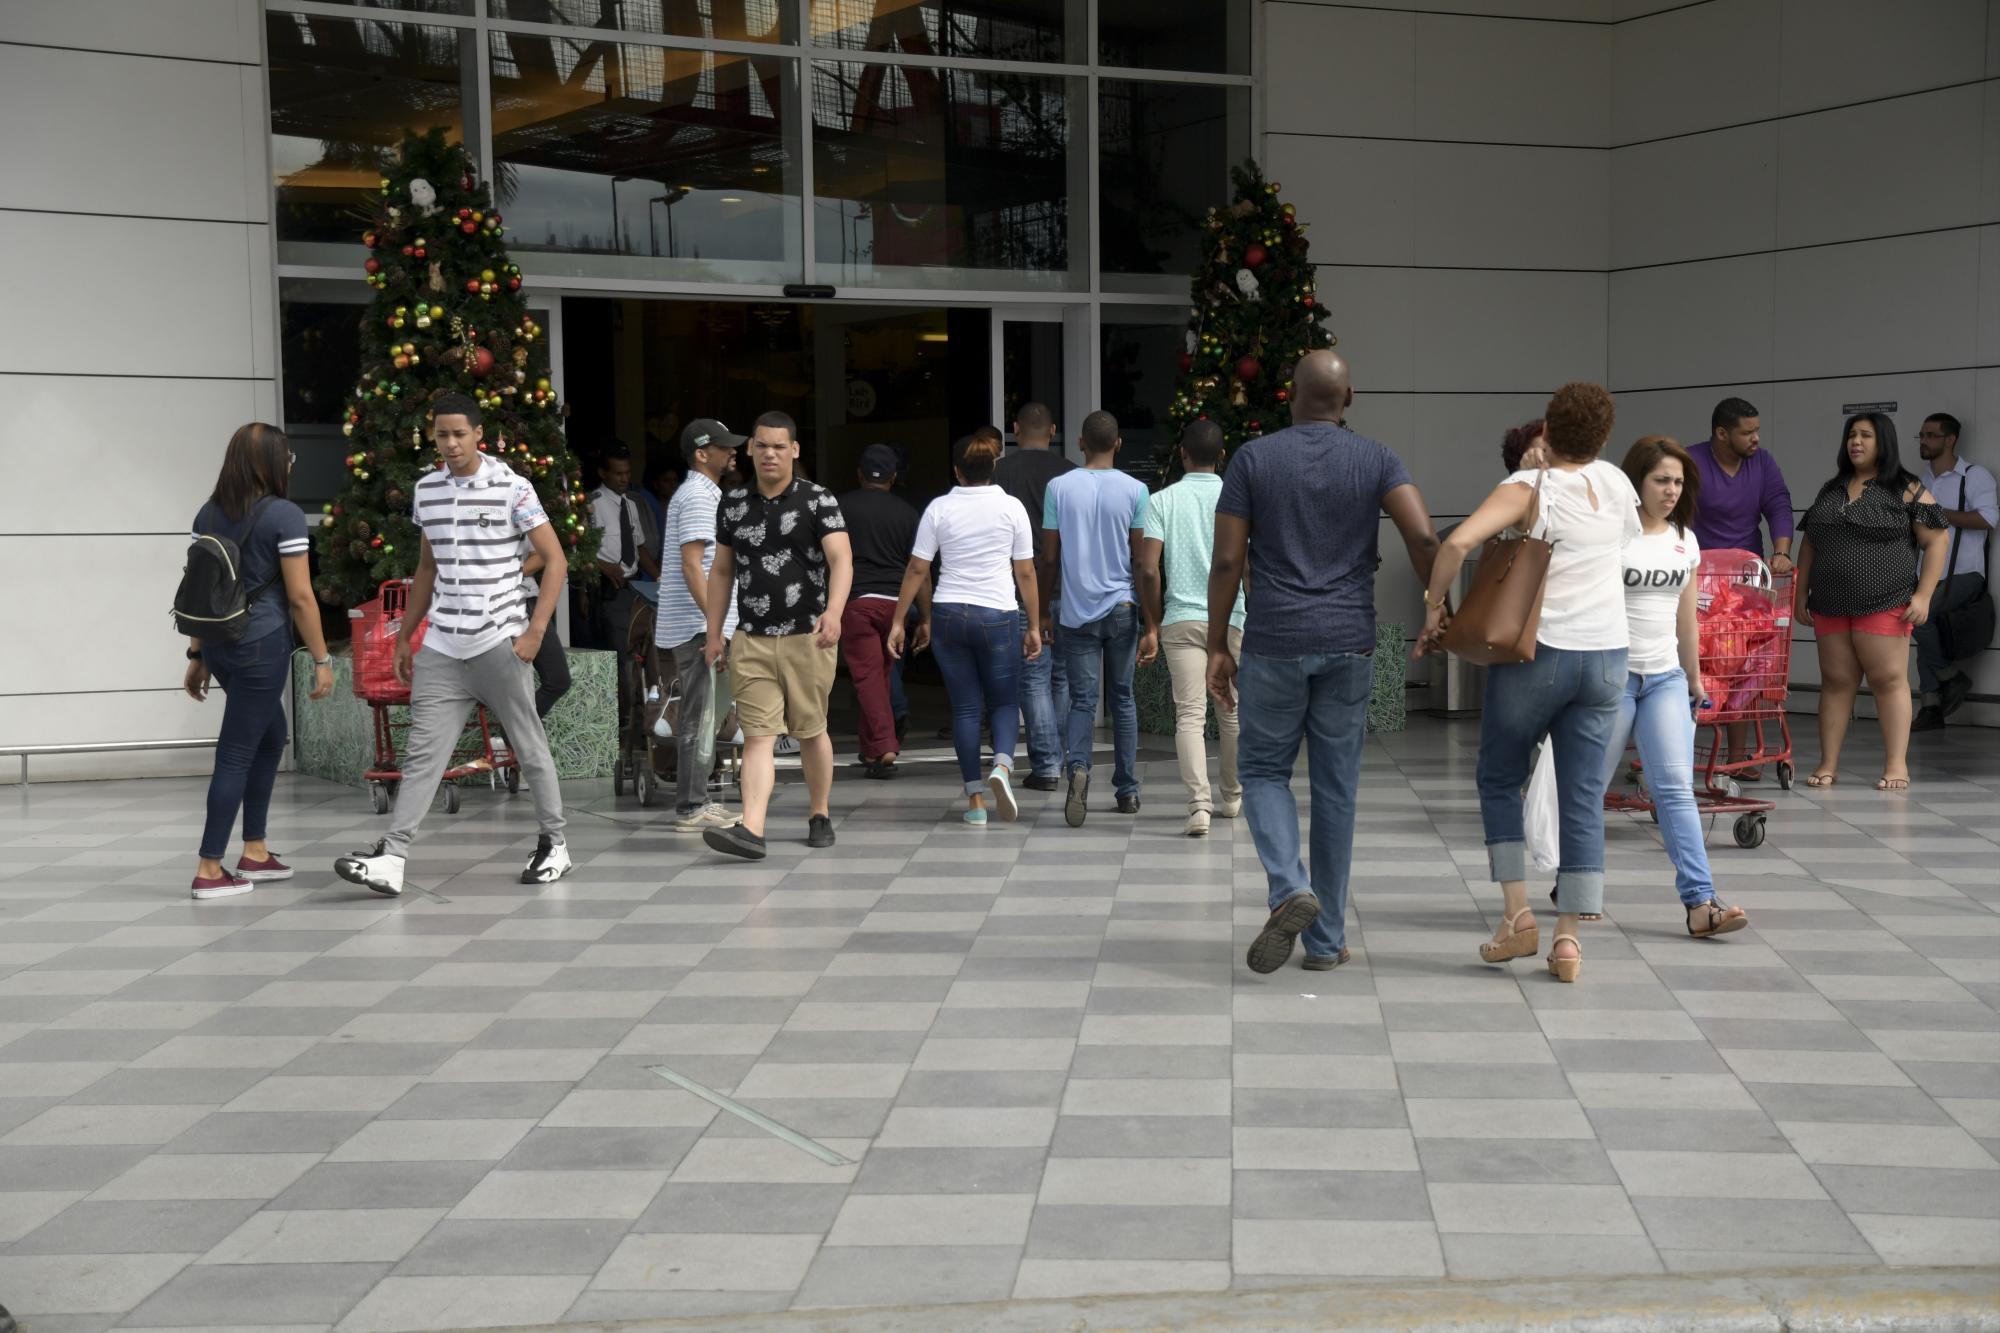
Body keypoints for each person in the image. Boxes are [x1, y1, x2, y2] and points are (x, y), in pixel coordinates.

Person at [1211, 352, 1439, 973]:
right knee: (1336, 791)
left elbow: (1229, 561)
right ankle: (1326, 941)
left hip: (1274, 640)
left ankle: (1289, 889)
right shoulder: (1376, 458)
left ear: (1290, 394)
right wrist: (1438, 608)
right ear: (1349, 398)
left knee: (1261, 772)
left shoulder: (1253, 459)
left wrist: (1214, 644)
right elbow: (1423, 538)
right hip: (1349, 640)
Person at [1419, 382, 1639, 985]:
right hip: (1607, 658)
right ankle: (1568, 940)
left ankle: (1517, 914)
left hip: (1539, 655)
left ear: (1548, 426)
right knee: (1582, 795)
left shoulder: (1529, 488)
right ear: (1602, 434)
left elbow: (1458, 542)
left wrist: (1434, 606)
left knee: (1498, 777)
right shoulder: (1618, 483)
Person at [336, 394, 573, 894]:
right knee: (423, 754)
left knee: (529, 747)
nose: (450, 443)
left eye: (459, 434)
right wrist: (406, 635)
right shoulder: (427, 490)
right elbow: (427, 567)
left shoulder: (513, 487)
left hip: (499, 641)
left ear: (478, 434)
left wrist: (533, 633)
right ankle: (393, 858)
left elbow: (555, 560)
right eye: (442, 434)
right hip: (443, 644)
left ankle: (555, 845)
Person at [1603, 437, 1748, 939]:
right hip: (1611, 677)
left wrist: (1694, 676)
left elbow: (1687, 617)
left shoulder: (1685, 539)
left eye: (1678, 482)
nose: (1670, 490)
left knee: (1675, 792)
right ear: (1636, 481)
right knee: (1586, 788)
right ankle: (1572, 884)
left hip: (1665, 678)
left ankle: (1701, 902)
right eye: (1661, 480)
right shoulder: (1611, 536)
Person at [184, 424, 335, 899]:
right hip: (260, 646)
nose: (290, 463)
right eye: (287, 456)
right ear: (270, 462)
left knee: (272, 737)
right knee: (236, 753)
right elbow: (301, 597)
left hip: (219, 644)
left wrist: (196, 654)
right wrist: (322, 658)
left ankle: (255, 850)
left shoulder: (208, 512)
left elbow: (197, 588)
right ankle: (209, 868)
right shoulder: (284, 516)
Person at [701, 411, 853, 859]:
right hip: (752, 638)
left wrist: (835, 613)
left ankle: (820, 811)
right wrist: (715, 633)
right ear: (750, 449)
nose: (770, 453)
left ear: (794, 450)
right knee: (759, 735)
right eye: (762, 445)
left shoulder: (817, 500)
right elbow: (722, 570)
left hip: (809, 636)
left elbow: (841, 559)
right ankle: (752, 828)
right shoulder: (732, 503)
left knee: (810, 731)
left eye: (779, 446)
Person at [888, 435, 1041, 824]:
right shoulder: (1011, 507)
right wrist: (1036, 624)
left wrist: (898, 620)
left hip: (950, 615)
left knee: (967, 708)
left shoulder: (939, 508)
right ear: (994, 469)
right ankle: (1002, 767)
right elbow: (1024, 571)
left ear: (956, 471)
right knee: (1005, 703)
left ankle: (975, 801)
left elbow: (918, 569)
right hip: (999, 615)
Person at [1794, 414, 1949, 791]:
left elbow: (1937, 540)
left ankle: (1896, 764)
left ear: (1884, 442)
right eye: (1851, 435)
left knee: (1888, 680)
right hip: (1830, 602)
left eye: (1866, 435)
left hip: (1886, 600)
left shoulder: (1906, 487)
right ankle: (1827, 763)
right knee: (1835, 682)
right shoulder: (1831, 489)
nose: (1856, 442)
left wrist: (1924, 594)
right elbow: (1810, 542)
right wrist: (1800, 594)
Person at [1040, 410, 1153, 826]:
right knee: (1122, 699)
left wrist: (1040, 612)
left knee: (1082, 701)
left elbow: (1049, 557)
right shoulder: (1137, 490)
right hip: (1122, 608)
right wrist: (1151, 622)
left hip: (1075, 613)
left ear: (1080, 443)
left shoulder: (1059, 488)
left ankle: (1079, 769)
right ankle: (1126, 791)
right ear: (1118, 443)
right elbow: (1142, 562)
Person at [1138, 420, 1245, 838]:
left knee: (1189, 714)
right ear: (1222, 455)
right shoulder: (1237, 498)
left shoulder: (1161, 500)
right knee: (1230, 710)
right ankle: (1231, 795)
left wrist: (1152, 620)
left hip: (1180, 617)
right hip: (1231, 616)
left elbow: (1148, 567)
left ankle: (1198, 806)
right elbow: (1247, 564)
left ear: (1182, 453)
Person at [1688, 398, 1793, 778]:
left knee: (1742, 663)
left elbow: (1779, 504)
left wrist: (1781, 551)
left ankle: (1737, 757)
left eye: (1757, 430)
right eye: (1747, 432)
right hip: (1698, 581)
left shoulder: (1761, 463)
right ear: (1721, 433)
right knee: (1701, 665)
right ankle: (1676, 748)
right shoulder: (1692, 462)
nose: (1756, 438)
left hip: (1748, 581)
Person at [655, 417, 745, 832]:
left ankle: (697, 801)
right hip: (696, 627)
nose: (734, 452)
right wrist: (714, 626)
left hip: (698, 624)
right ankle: (692, 806)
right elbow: (693, 565)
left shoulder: (703, 494)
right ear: (701, 454)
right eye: (725, 447)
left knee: (703, 715)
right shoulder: (697, 496)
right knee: (699, 716)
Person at [995, 401, 1074, 791]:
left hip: (1025, 588)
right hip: (1069, 588)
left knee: (1034, 676)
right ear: (1053, 431)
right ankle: (1056, 757)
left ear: (1015, 429)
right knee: (1060, 677)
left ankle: (1045, 765)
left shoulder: (1001, 472)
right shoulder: (1072, 473)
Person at [839, 443, 926, 778]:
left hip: (858, 602)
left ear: (859, 475)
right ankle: (870, 749)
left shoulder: (841, 507)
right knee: (881, 677)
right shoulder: (907, 513)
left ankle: (885, 746)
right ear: (893, 477)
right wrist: (925, 616)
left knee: (868, 678)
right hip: (896, 607)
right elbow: (921, 569)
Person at [1913, 412, 1995, 730]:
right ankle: (1932, 706)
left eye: (1932, 435)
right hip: (1928, 575)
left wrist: (1937, 513)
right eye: (1921, 435)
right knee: (1919, 623)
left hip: (1965, 574)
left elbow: (1988, 519)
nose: (1924, 440)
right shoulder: (1922, 481)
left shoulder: (1973, 476)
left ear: (1951, 440)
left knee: (1919, 615)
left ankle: (1949, 678)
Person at [589, 440, 658, 649]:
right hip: (610, 588)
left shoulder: (630, 504)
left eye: (627, 473)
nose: (625, 479)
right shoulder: (593, 504)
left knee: (640, 651)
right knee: (618, 649)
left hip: (635, 588)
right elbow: (578, 552)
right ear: (603, 473)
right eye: (618, 474)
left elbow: (639, 547)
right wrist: (603, 566)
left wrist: (659, 577)